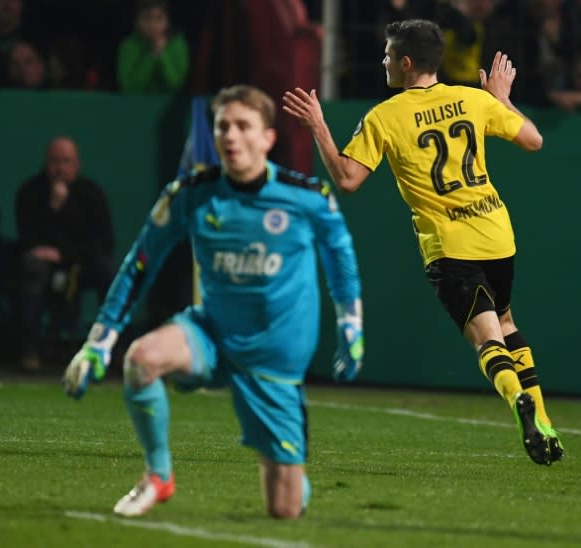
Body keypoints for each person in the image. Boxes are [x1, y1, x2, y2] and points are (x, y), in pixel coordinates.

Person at [61, 84, 364, 519]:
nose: (231, 136)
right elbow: (139, 264)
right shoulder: (190, 193)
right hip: (211, 332)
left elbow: (341, 258)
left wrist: (350, 325)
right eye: (223, 126)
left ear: (267, 139)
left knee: (284, 509)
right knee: (141, 360)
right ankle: (158, 476)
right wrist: (99, 340)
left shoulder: (306, 197)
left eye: (244, 126)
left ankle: (291, 478)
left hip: (274, 357)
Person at [283, 18, 564, 465]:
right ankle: (544, 425)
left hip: (450, 246)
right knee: (507, 324)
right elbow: (534, 139)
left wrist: (318, 125)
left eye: (389, 54)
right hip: (497, 234)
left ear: (406, 62)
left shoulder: (385, 116)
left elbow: (347, 178)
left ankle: (517, 403)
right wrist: (503, 98)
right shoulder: (472, 99)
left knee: (486, 340)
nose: (383, 60)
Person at [14, 136, 114, 371]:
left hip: (81, 263)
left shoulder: (91, 193)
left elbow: (103, 241)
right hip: (42, 265)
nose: (60, 168)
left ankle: (113, 348)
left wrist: (64, 253)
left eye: (66, 161)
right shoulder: (30, 191)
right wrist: (52, 208)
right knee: (33, 269)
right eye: (54, 161)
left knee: (108, 273)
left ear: (76, 164)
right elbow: (27, 237)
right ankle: (30, 348)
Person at [116, 0, 190, 94]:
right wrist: (151, 56)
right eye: (146, 18)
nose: (152, 25)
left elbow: (176, 84)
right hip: (136, 103)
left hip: (168, 103)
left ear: (167, 21)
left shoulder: (177, 43)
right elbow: (129, 88)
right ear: (136, 21)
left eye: (158, 18)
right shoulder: (128, 46)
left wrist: (162, 54)